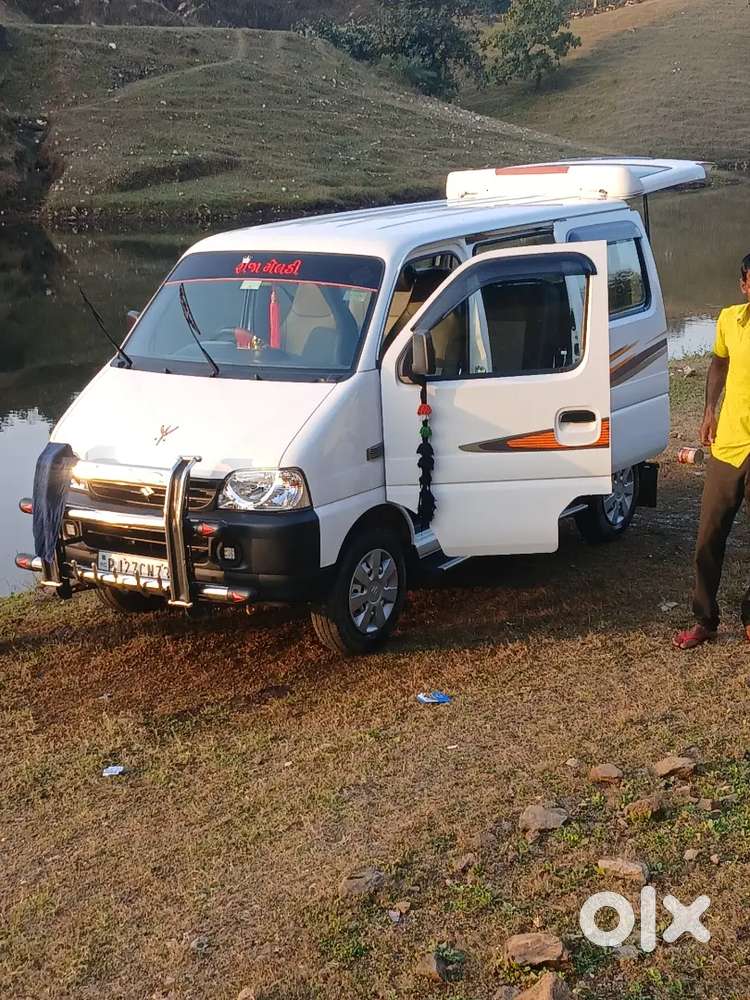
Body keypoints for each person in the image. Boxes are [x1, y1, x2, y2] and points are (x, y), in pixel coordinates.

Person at [674, 254, 750, 649]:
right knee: (708, 536)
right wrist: (708, 409)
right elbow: (719, 363)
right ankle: (705, 620)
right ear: (744, 285)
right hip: (730, 444)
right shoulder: (728, 321)